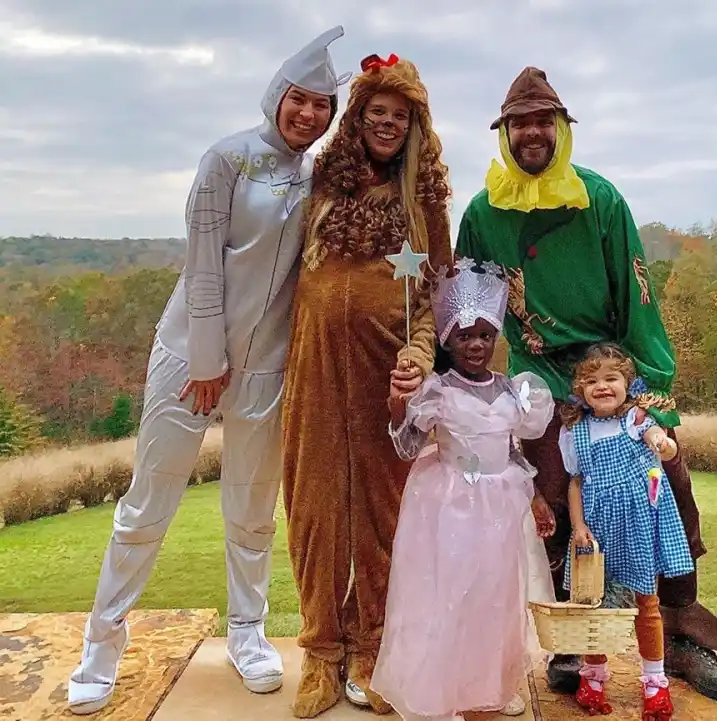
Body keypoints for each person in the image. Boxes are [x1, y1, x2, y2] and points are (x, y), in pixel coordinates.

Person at [65, 27, 350, 716]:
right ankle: (101, 645)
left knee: (251, 510)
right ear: (276, 97)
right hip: (190, 360)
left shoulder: (321, 177)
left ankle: (247, 634)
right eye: (299, 100)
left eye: (322, 106)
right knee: (146, 506)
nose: (308, 115)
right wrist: (205, 361)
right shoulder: (226, 159)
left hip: (267, 369)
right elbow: (203, 262)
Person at [454, 66, 717, 702]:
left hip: (609, 362)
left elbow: (637, 295)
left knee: (665, 478)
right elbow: (469, 303)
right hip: (539, 370)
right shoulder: (481, 212)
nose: (532, 132)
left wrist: (646, 387)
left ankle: (678, 633)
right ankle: (573, 638)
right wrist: (455, 381)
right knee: (552, 494)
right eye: (519, 123)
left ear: (562, 130)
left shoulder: (601, 199)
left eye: (544, 121)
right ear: (503, 134)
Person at [281, 54, 453, 719]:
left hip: (388, 373)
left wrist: (418, 355)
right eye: (377, 112)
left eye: (399, 116)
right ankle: (322, 651)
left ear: (414, 126)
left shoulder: (425, 198)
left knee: (386, 515)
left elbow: (434, 294)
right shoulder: (320, 180)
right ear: (358, 117)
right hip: (313, 367)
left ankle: (373, 649)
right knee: (314, 509)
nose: (386, 124)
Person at [370, 258, 555, 721]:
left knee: (495, 596)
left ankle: (491, 683)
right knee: (450, 594)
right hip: (449, 505)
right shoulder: (436, 390)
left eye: (485, 335)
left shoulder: (514, 392)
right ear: (448, 339)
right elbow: (408, 447)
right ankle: (442, 691)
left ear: (496, 338)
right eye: (464, 335)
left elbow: (511, 450)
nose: (476, 345)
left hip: (500, 507)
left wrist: (535, 496)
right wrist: (398, 409)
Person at [562, 343, 694, 719]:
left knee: (646, 602)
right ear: (580, 390)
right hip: (598, 527)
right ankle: (594, 675)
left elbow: (659, 444)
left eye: (611, 378)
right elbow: (575, 482)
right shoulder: (576, 431)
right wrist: (578, 526)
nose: (602, 387)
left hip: (637, 521)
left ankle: (654, 681)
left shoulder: (636, 420)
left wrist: (662, 443)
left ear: (627, 384)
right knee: (593, 603)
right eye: (591, 381)